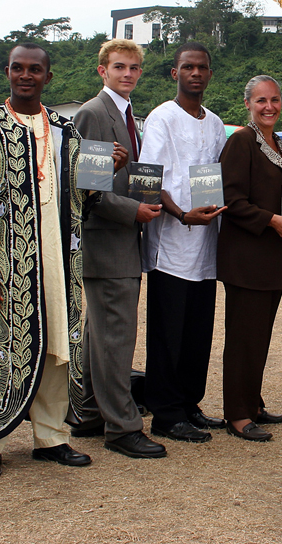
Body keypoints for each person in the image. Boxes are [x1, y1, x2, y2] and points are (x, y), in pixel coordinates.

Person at [0, 44, 127, 479]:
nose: (25, 76)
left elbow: (87, 197)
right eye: (18, 68)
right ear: (7, 71)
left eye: (35, 70)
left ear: (48, 77)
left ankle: (51, 438)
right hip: (3, 263)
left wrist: (109, 167)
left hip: (60, 261)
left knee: (56, 347)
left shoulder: (67, 130)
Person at [71, 39, 166, 459]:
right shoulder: (94, 113)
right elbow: (89, 189)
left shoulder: (127, 115)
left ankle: (90, 412)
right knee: (115, 338)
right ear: (102, 71)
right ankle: (122, 427)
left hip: (120, 240)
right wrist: (135, 211)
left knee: (101, 335)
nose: (127, 74)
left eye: (133, 68)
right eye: (119, 67)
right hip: (108, 241)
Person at [139, 42, 227, 443]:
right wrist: (180, 214)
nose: (195, 73)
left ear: (210, 74)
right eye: (188, 67)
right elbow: (150, 177)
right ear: (175, 73)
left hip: (205, 245)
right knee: (167, 333)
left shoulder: (215, 122)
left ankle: (190, 404)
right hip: (171, 245)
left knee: (197, 332)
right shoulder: (162, 117)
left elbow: (215, 175)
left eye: (202, 67)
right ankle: (165, 413)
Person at [218, 75, 282, 441]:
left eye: (275, 100)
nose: (269, 107)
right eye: (261, 101)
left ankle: (252, 403)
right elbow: (230, 199)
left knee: (259, 336)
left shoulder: (278, 144)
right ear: (248, 104)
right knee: (243, 338)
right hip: (247, 257)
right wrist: (272, 220)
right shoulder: (241, 141)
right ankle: (237, 415)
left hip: (271, 256)